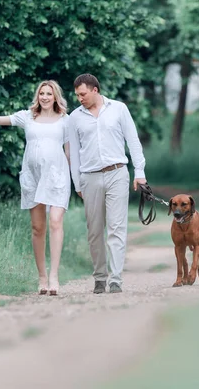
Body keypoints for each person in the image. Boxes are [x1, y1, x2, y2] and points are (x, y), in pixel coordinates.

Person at [0, 80, 71, 296]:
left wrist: (78, 181)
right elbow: (2, 120)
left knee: (55, 222)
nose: (44, 97)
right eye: (41, 93)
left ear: (55, 97)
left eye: (48, 94)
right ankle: (42, 277)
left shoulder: (65, 120)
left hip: (57, 177)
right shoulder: (28, 117)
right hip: (33, 178)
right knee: (37, 227)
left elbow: (71, 153)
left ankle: (54, 276)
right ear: (38, 95)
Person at [68, 73, 147, 294]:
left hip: (117, 173)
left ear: (95, 90)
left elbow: (133, 140)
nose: (79, 98)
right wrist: (77, 184)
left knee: (116, 228)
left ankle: (115, 279)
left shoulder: (119, 109)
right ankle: (100, 277)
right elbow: (74, 153)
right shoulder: (74, 117)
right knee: (94, 231)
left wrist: (139, 172)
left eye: (82, 94)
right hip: (90, 177)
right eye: (77, 95)